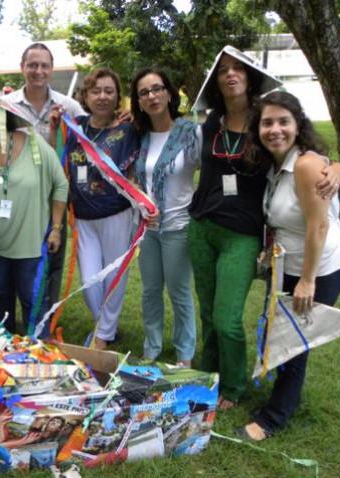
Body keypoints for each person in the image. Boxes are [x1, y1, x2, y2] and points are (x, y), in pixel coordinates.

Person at [188, 46, 340, 410]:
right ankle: (207, 371)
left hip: (241, 235)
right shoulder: (212, 122)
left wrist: (334, 167)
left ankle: (234, 385)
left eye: (237, 69)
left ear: (250, 77)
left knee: (227, 319)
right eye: (223, 70)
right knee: (208, 312)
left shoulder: (264, 125)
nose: (230, 75)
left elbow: (305, 154)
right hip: (202, 227)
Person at [238, 91, 340, 441]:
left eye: (283, 121)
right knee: (281, 331)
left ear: (297, 125)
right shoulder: (278, 164)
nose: (275, 129)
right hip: (287, 264)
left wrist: (307, 280)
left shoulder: (304, 165)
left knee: (295, 340)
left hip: (319, 267)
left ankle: (274, 417)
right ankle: (278, 395)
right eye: (267, 122)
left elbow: (317, 226)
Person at [0, 90, 67, 334]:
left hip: (31, 242)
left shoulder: (34, 143)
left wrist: (56, 228)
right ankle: (4, 349)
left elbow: (60, 184)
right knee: (0, 298)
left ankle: (39, 351)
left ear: (5, 115)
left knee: (32, 300)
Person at [55, 68, 140, 350]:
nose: (102, 96)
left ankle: (102, 337)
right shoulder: (74, 126)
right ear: (85, 95)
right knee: (91, 281)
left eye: (109, 91)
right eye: (96, 91)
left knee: (114, 277)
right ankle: (107, 329)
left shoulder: (129, 129)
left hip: (116, 214)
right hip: (82, 218)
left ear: (117, 97)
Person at [5, 42, 86, 313]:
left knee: (53, 258)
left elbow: (95, 132)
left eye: (44, 65)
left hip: (55, 198)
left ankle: (45, 320)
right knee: (18, 258)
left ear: (51, 70)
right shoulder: (7, 106)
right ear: (22, 68)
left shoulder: (69, 106)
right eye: (32, 65)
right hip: (19, 198)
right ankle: (21, 312)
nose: (38, 71)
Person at [130, 67, 199, 366]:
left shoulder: (189, 132)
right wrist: (140, 204)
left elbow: (207, 177)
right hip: (148, 229)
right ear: (139, 101)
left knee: (180, 292)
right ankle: (152, 348)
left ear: (170, 93)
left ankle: (185, 354)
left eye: (157, 89)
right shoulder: (140, 136)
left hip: (178, 227)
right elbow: (135, 179)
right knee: (150, 291)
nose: (152, 96)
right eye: (144, 92)